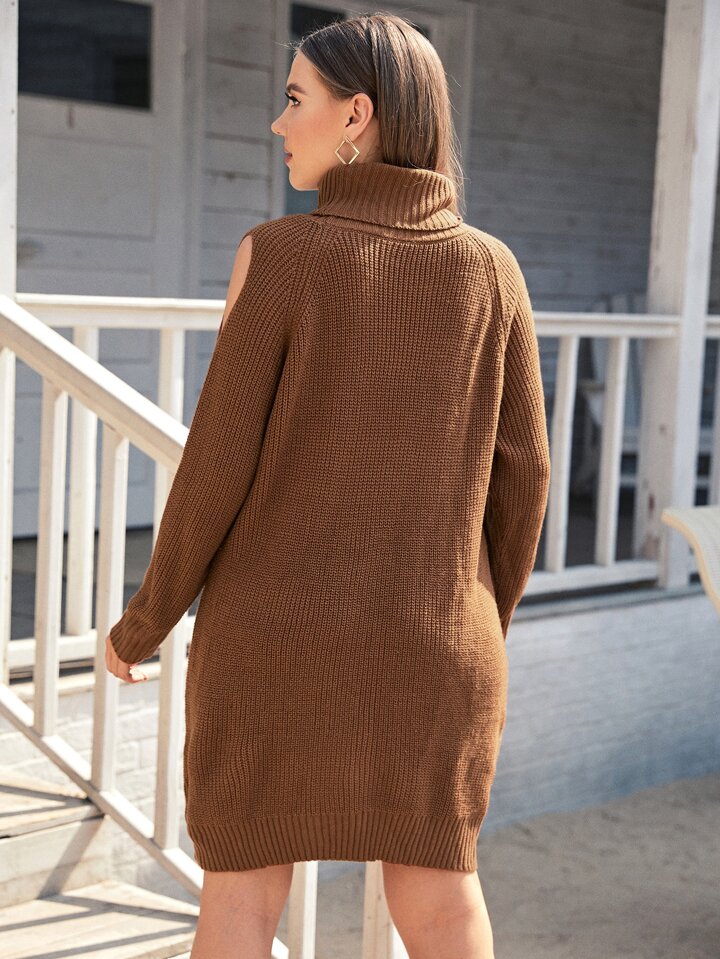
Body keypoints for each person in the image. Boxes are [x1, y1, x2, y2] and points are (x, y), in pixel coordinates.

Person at [105, 12, 551, 959]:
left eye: (294, 98)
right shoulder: (494, 271)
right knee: (441, 901)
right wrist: (474, 620)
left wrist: (144, 620)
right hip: (438, 644)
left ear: (357, 115)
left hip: (272, 642)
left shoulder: (277, 257)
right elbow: (525, 480)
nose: (278, 122)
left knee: (241, 900)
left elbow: (217, 466)